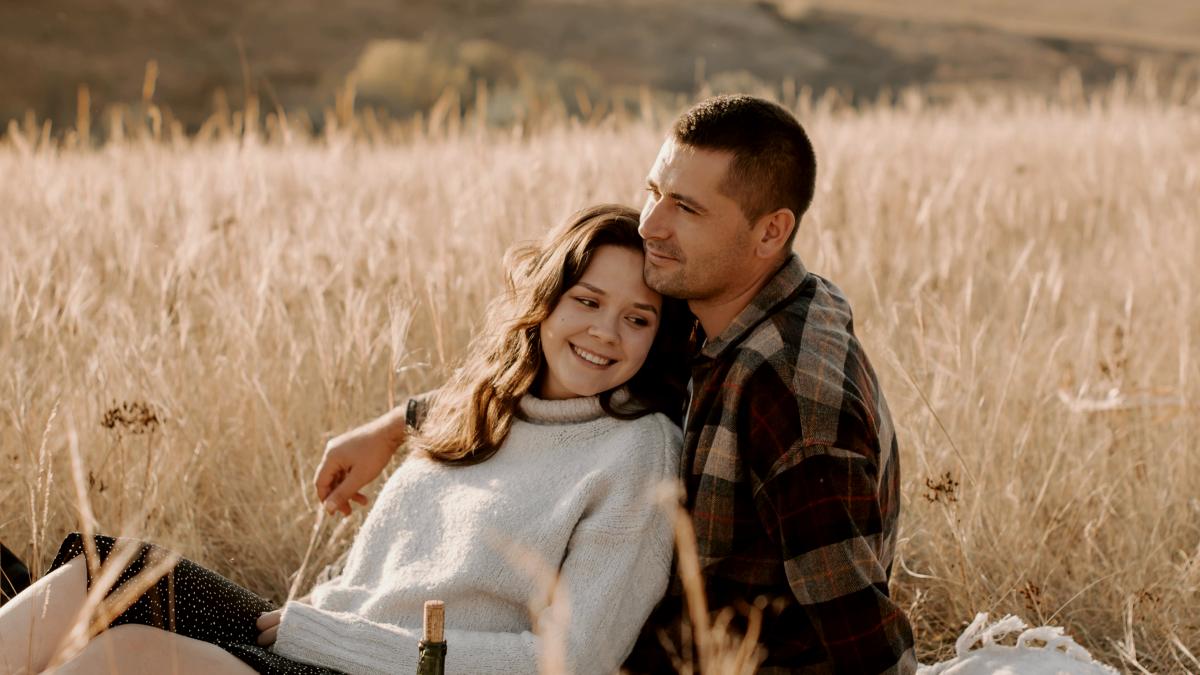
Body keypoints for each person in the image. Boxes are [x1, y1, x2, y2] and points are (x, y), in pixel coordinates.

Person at [318, 95, 917, 674]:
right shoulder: (730, 319)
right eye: (654, 191)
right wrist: (397, 424)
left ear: (770, 232)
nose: (651, 225)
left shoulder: (786, 390)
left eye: (687, 208)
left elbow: (865, 642)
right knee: (218, 617)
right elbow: (559, 395)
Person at [0, 204, 692, 675]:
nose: (606, 331)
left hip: (361, 666)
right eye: (588, 300)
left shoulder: (635, 451)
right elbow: (440, 416)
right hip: (312, 639)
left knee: (132, 655)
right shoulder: (488, 404)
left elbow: (574, 659)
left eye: (639, 318)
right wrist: (389, 425)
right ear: (547, 299)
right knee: (104, 570)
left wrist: (337, 637)